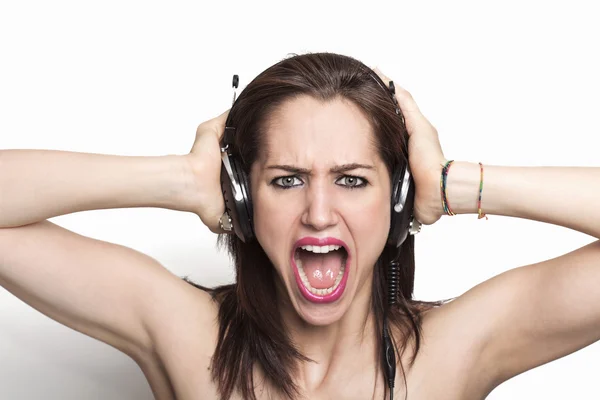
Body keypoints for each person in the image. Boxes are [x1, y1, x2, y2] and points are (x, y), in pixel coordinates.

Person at [0, 52, 598, 400]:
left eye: (352, 180)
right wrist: (180, 180)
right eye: (286, 179)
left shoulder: (455, 349)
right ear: (240, 200)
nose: (317, 211)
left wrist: (450, 185)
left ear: (397, 200)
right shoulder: (182, 332)